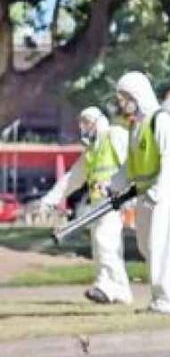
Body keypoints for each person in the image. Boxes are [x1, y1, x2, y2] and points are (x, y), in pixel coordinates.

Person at [111, 71, 170, 315]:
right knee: (148, 247)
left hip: (167, 192)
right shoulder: (136, 126)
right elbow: (130, 165)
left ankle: (163, 301)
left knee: (159, 245)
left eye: (124, 97)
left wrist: (159, 190)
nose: (121, 102)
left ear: (137, 95)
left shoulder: (161, 121)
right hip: (145, 193)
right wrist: (113, 184)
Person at [41, 107, 133, 305]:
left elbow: (132, 162)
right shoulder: (92, 152)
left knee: (104, 241)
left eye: (87, 122)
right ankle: (116, 289)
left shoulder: (115, 136)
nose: (84, 127)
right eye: (82, 123)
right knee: (102, 246)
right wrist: (50, 200)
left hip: (115, 201)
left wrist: (129, 195)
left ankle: (109, 287)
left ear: (99, 121)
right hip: (99, 204)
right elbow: (71, 179)